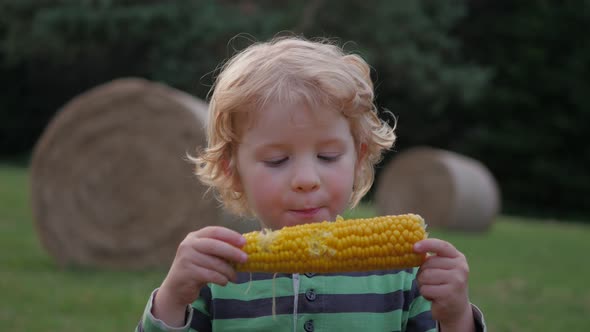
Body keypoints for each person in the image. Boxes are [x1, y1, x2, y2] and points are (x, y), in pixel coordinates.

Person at [136, 35, 486, 332]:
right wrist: (172, 297)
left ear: (359, 158)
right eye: (277, 160)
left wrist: (456, 317)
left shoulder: (404, 277)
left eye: (329, 156)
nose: (306, 180)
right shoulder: (215, 277)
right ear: (232, 170)